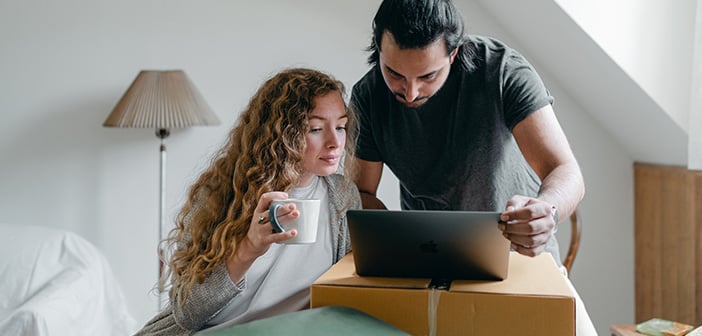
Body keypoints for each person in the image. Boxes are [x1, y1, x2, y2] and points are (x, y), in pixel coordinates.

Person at [350, 0, 596, 334]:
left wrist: (547, 211)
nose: (410, 92)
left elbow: (566, 170)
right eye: (394, 73)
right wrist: (387, 235)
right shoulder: (367, 96)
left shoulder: (501, 70)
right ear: (378, 49)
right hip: (430, 274)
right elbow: (362, 193)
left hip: (523, 262)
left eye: (427, 75)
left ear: (452, 54)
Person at [135, 68, 361, 335]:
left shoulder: (342, 195)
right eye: (315, 128)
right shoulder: (221, 194)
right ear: (283, 134)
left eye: (340, 127)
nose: (335, 142)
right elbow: (187, 313)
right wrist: (250, 247)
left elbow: (347, 289)